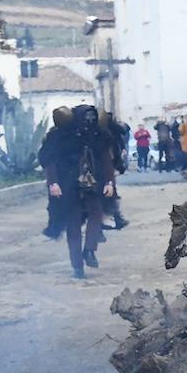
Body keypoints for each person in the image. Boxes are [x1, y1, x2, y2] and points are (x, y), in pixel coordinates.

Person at [39, 104, 116, 279]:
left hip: (92, 184)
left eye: (92, 117)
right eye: (86, 117)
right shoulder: (61, 136)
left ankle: (89, 250)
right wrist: (53, 183)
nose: (89, 121)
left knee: (96, 213)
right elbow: (50, 160)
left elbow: (106, 161)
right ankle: (77, 266)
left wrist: (110, 182)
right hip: (67, 185)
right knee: (73, 224)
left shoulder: (98, 135)